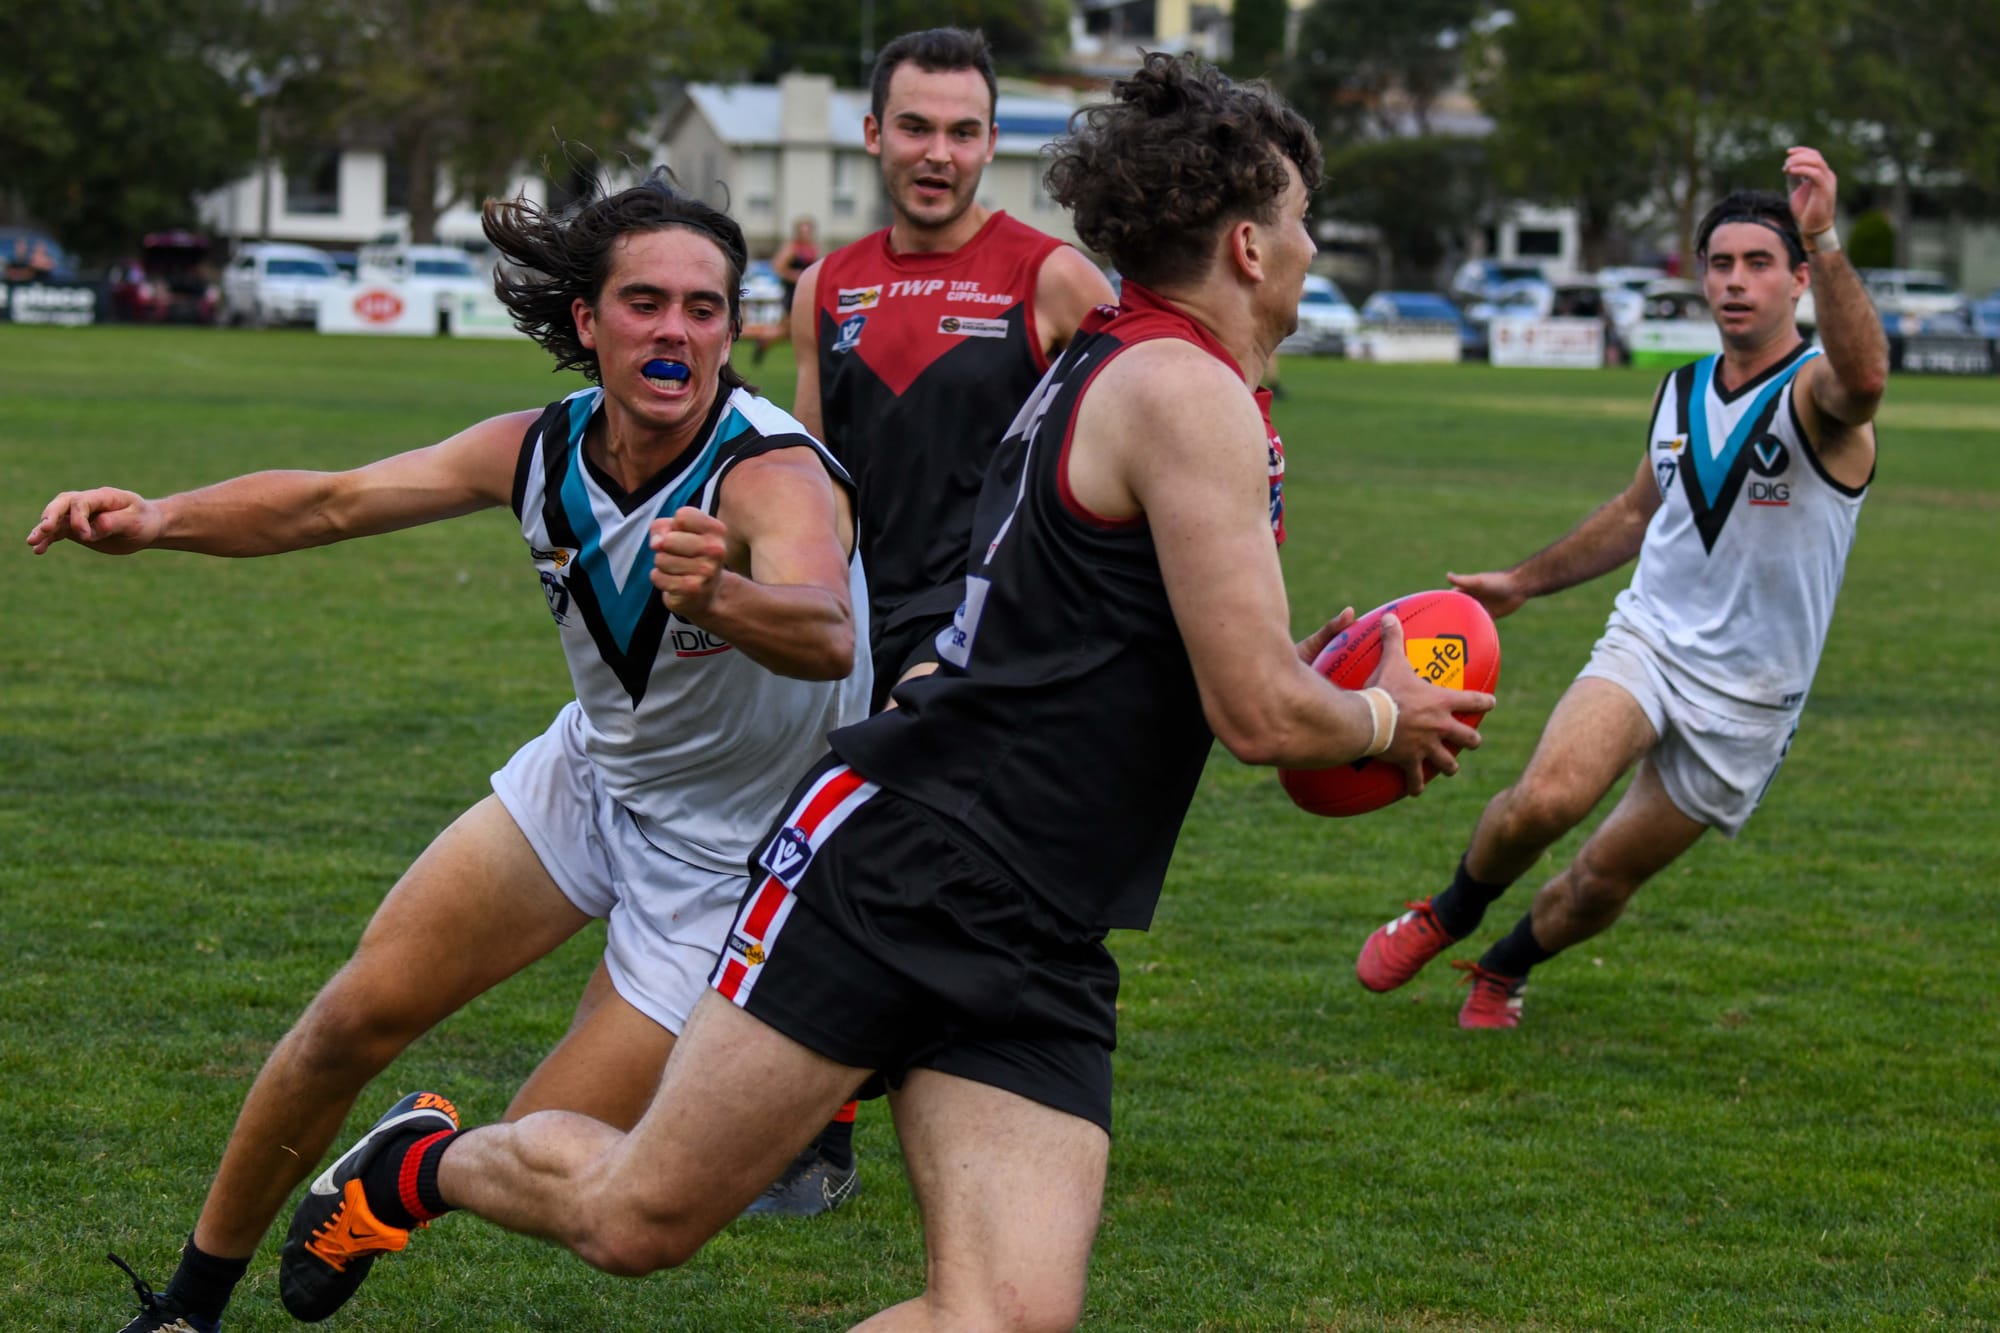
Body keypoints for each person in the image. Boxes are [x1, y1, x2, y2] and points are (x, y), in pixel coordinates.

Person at [278, 52, 1490, 1330]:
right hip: (913, 862)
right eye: (1300, 220)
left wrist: (1295, 663)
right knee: (639, 1217)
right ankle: (419, 1165)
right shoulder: (1183, 390)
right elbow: (1258, 720)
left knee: (1004, 1316)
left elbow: (1143, 637)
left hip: (1042, 914)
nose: (1309, 248)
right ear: (1246, 243)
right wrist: (1379, 714)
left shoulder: (1133, 360)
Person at [29, 172, 871, 1332]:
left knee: (545, 1149)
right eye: (643, 302)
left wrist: (723, 597)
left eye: (703, 307)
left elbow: (828, 633)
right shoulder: (535, 448)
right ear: (587, 320)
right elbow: (331, 502)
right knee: (349, 1020)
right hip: (590, 780)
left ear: (734, 328)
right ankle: (186, 1308)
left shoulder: (768, 472)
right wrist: (160, 519)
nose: (674, 330)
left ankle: (405, 1169)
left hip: (728, 861)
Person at [1354, 148, 1886, 1029]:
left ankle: (1503, 968)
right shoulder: (1680, 391)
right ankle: (1447, 912)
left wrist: (1825, 233)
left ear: (1799, 279)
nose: (1736, 281)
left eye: (1760, 263)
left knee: (1602, 879)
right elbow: (1638, 512)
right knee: (1545, 801)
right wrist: (1523, 580)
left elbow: (1864, 380)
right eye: (1720, 263)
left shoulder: (1819, 398)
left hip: (1750, 697)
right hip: (1651, 639)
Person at [760, 25, 1117, 1214]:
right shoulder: (827, 285)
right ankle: (858, 1107)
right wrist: (791, 592)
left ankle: (831, 1129)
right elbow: (813, 468)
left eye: (963, 132)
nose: (938, 153)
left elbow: (1134, 441)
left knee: (879, 861)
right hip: (853, 623)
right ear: (873, 134)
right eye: (915, 126)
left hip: (982, 635)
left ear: (990, 143)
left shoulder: (1052, 278)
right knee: (828, 858)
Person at [749, 216, 818, 365]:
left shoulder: (812, 248)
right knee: (793, 327)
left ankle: (764, 341)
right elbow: (778, 267)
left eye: (808, 231)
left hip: (805, 292)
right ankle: (765, 341)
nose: (806, 234)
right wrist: (794, 275)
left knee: (788, 328)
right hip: (792, 292)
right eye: (803, 231)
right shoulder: (792, 248)